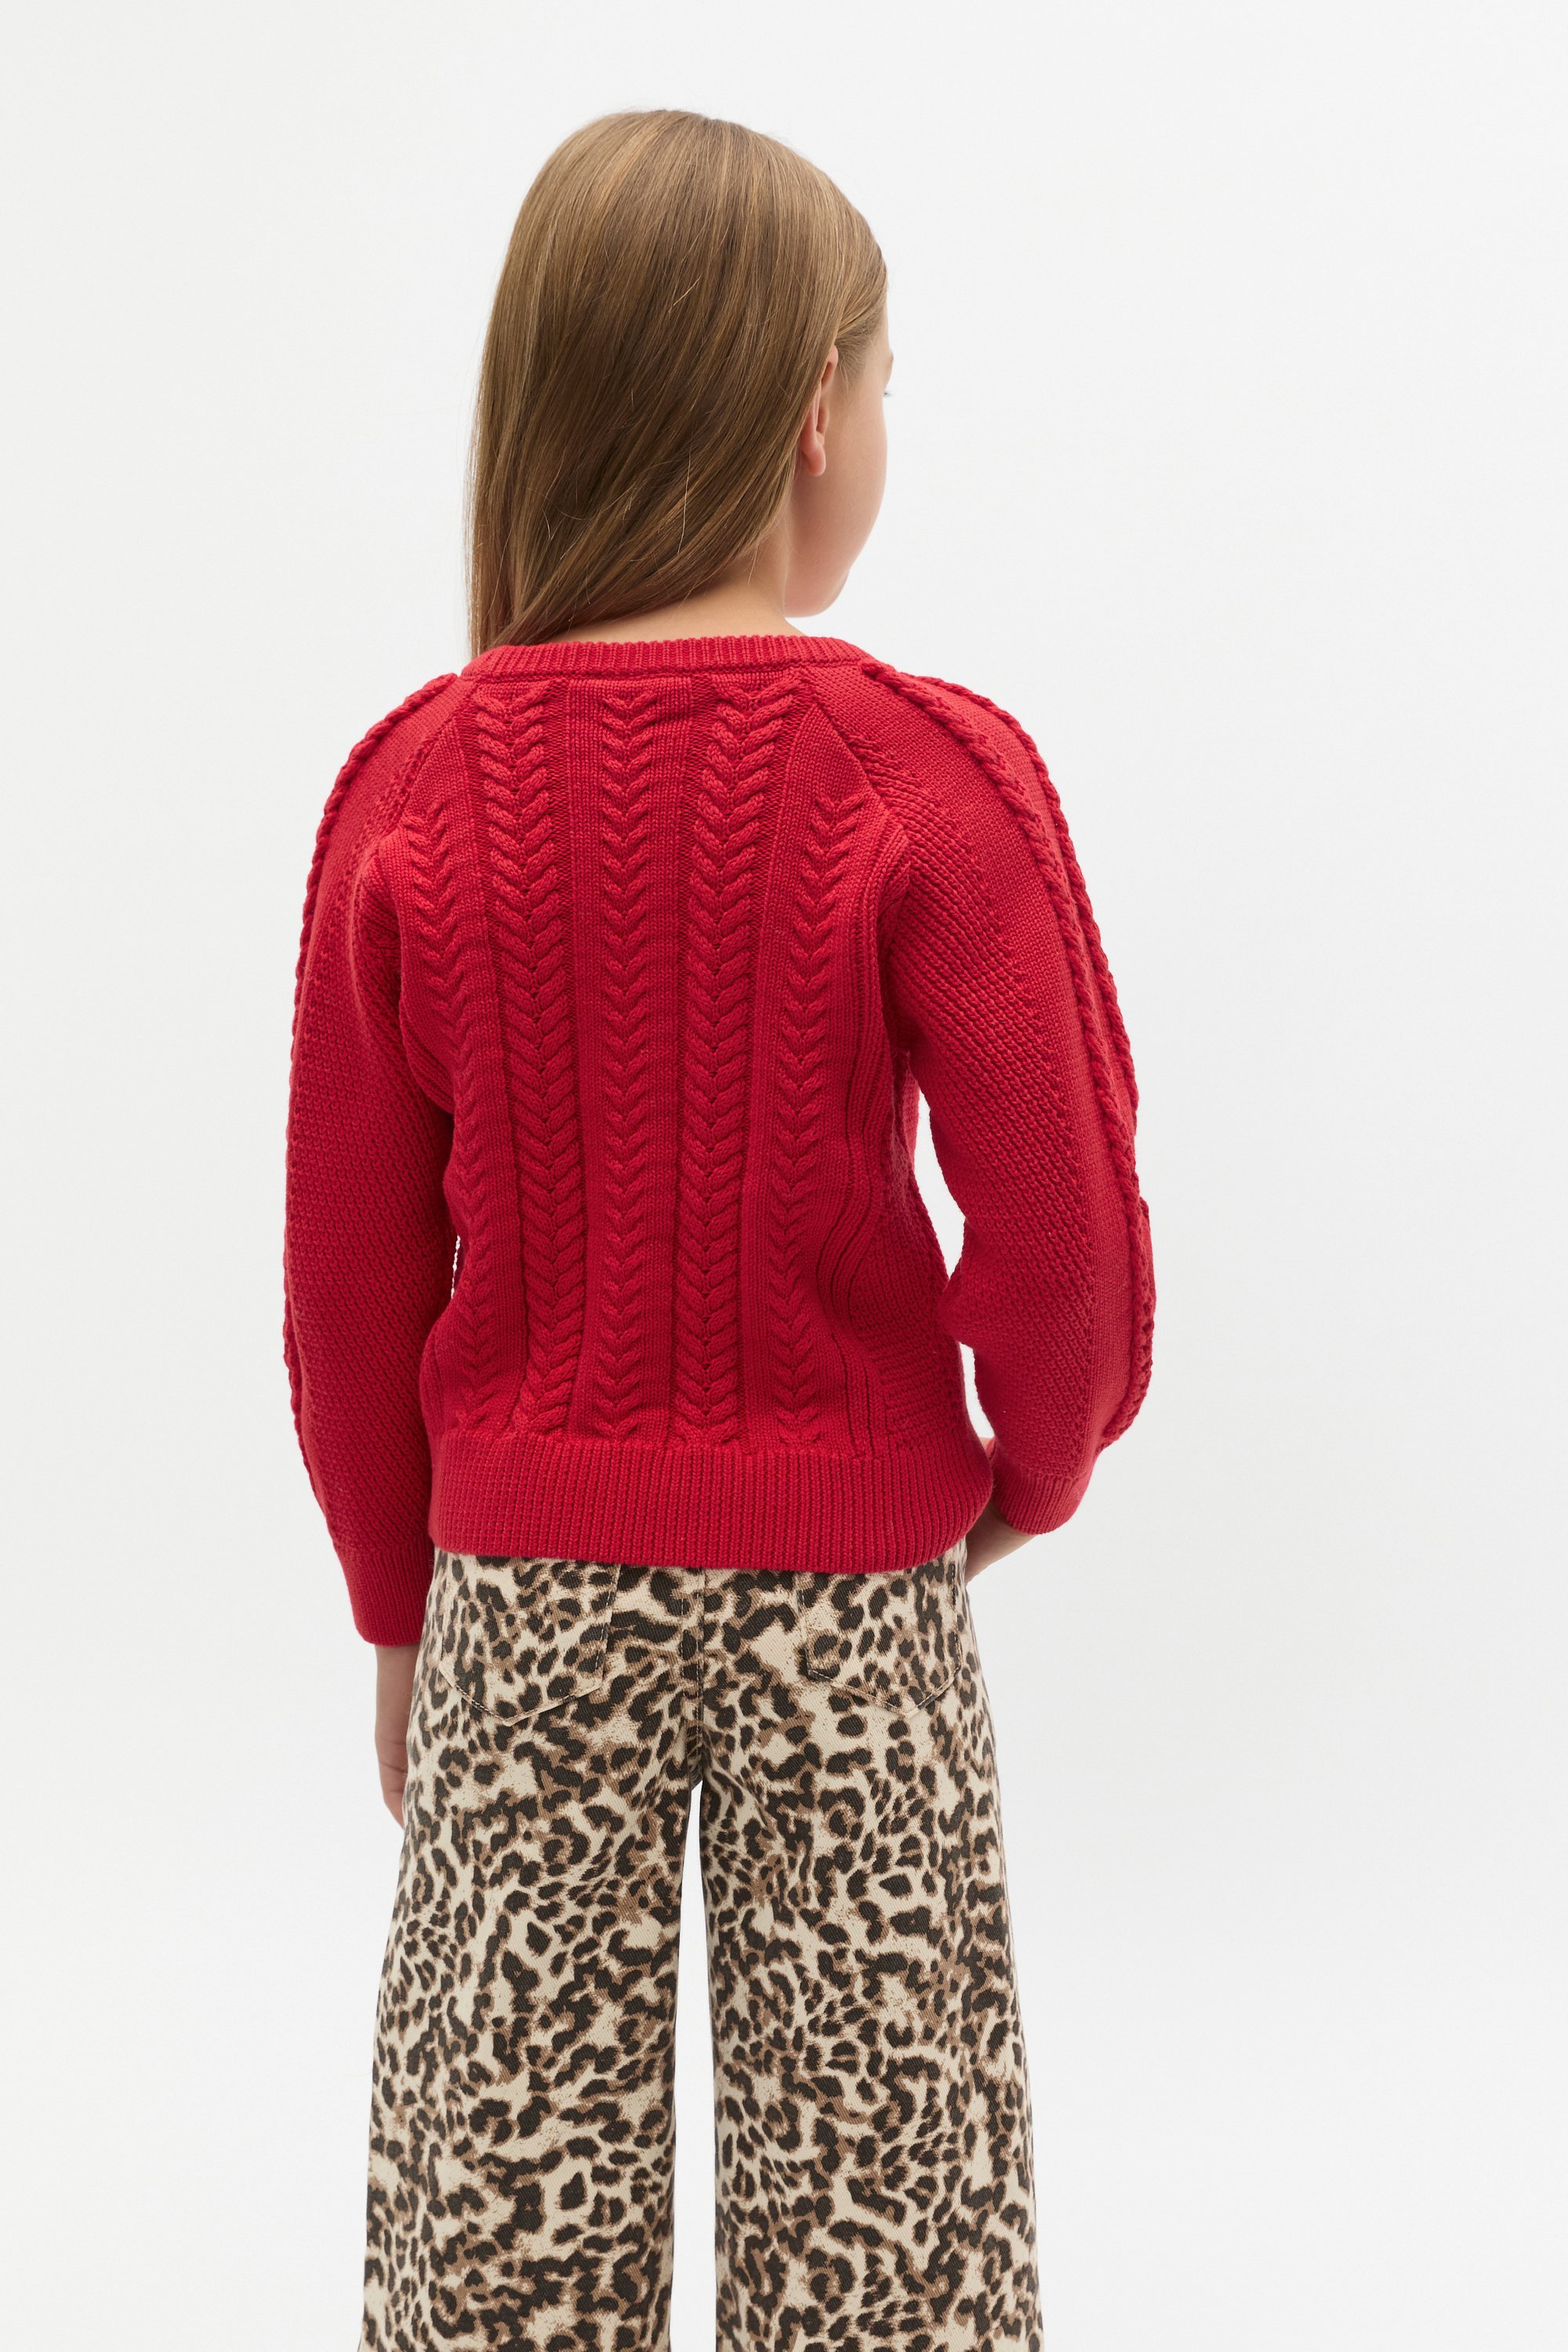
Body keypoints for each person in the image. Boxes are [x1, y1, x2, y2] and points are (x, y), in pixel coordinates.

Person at [283, 106, 1155, 2352]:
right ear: (812, 419)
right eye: (889, 384)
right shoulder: (928, 775)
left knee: (497, 2238)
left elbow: (348, 1286)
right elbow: (1066, 1236)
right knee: (893, 2241)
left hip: (524, 1610)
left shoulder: (411, 789)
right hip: (853, 1611)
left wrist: (401, 1607)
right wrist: (1027, 1477)